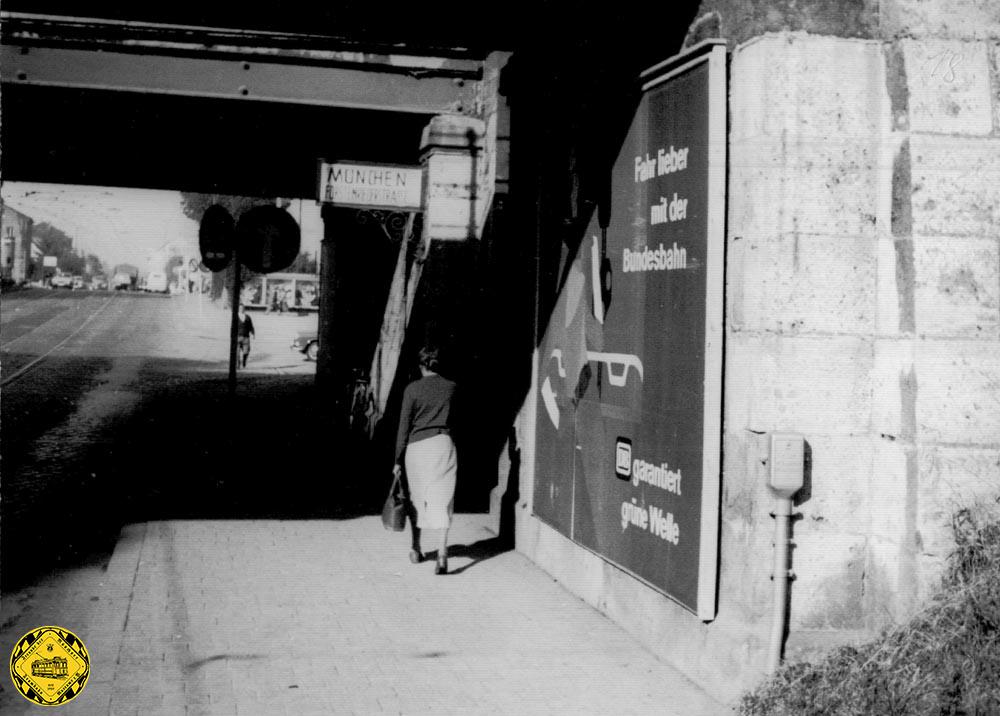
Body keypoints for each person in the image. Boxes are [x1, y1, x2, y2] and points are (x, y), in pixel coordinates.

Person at [393, 347, 457, 575]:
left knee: (417, 498)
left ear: (421, 366)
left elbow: (403, 427)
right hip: (442, 444)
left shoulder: (412, 389)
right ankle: (442, 553)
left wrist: (397, 459)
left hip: (417, 448)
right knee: (443, 499)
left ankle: (416, 548)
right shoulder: (451, 387)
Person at [236, 304, 255, 368]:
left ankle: (244, 360)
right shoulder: (235, 317)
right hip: (237, 337)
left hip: (246, 337)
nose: (241, 309)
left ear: (244, 309)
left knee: (246, 352)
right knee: (237, 353)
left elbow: (251, 326)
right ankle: (237, 365)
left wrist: (253, 334)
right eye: (240, 308)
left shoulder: (247, 317)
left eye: (242, 308)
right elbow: (232, 327)